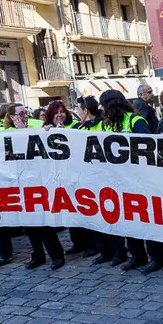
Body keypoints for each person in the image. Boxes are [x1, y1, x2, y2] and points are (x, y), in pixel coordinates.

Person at [100, 90, 163, 274]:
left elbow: (148, 149)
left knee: (148, 220)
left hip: (141, 180)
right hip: (121, 182)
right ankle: (138, 256)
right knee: (129, 221)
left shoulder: (135, 121)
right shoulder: (108, 126)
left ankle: (158, 258)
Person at [0, 103, 66, 270]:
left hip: (39, 182)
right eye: (20, 114)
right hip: (20, 184)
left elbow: (52, 135)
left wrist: (52, 129)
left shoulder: (37, 126)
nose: (25, 116)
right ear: (12, 117)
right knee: (29, 224)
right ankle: (38, 255)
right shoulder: (4, 134)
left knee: (44, 222)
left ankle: (56, 255)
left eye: (26, 113)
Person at [65, 96, 102, 258]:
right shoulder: (79, 130)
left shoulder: (104, 125)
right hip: (86, 179)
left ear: (86, 111)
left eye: (79, 109)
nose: (77, 112)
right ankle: (98, 247)